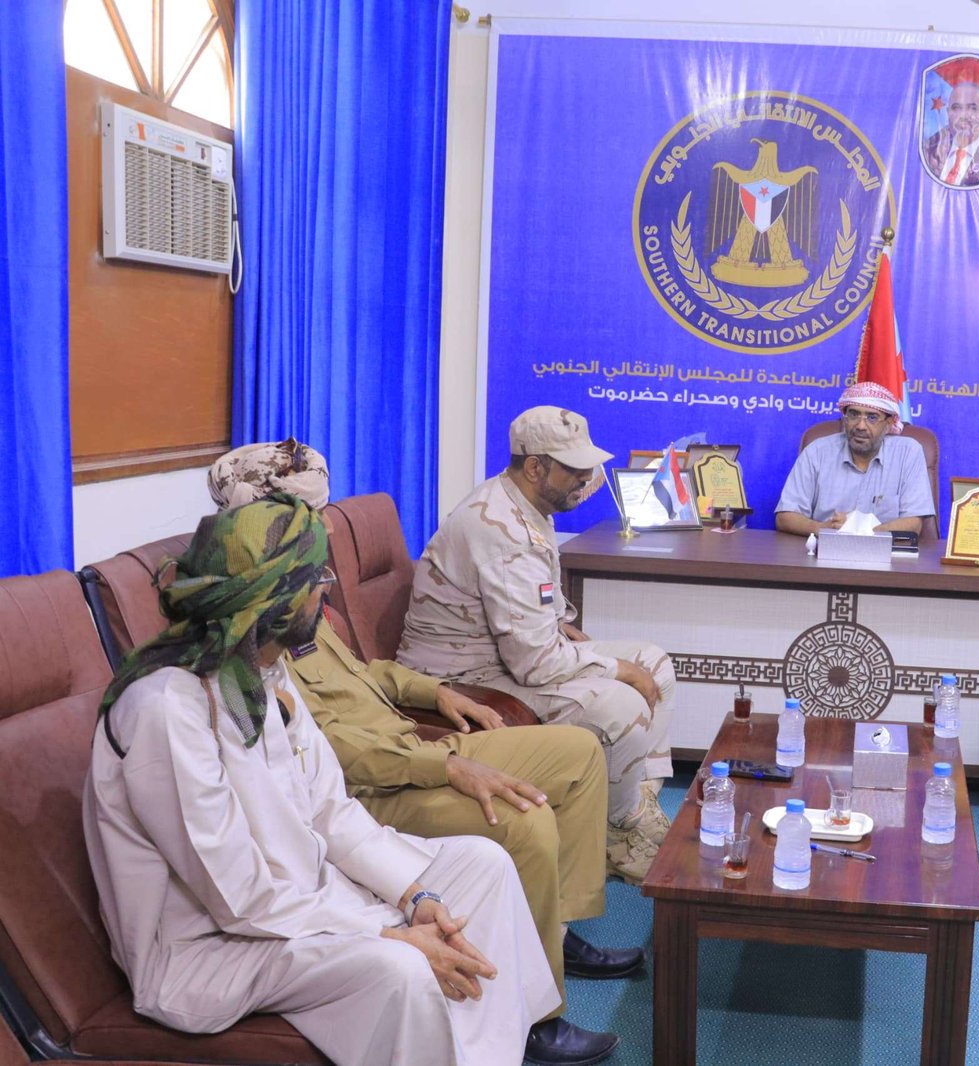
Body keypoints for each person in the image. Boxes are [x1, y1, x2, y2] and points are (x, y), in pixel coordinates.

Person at [83, 495, 609, 1066]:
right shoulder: (167, 707)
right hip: (212, 949)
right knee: (402, 966)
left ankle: (486, 1054)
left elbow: (331, 813)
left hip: (301, 902)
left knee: (484, 866)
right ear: (278, 599)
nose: (326, 591)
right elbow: (237, 896)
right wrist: (383, 932)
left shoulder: (264, 671)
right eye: (318, 579)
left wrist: (414, 897)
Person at [206, 445, 642, 1044]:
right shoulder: (248, 638)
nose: (325, 532)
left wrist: (436, 692)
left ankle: (555, 929)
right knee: (524, 821)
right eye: (310, 519)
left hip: (406, 739)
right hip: (381, 781)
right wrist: (445, 763)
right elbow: (329, 756)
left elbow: (361, 672)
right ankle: (539, 1021)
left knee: (577, 752)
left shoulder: (300, 603)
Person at [397, 408, 675, 878]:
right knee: (623, 704)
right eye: (575, 469)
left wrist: (566, 627)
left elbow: (533, 610)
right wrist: (618, 670)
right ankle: (617, 834)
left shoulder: (523, 503)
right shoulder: (503, 531)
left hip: (507, 655)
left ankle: (631, 808)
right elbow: (535, 665)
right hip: (465, 679)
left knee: (655, 664)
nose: (586, 478)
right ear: (534, 467)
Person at [774, 381, 935, 536]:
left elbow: (913, 524)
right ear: (845, 418)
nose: (860, 426)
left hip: (885, 551)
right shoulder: (817, 452)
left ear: (888, 423)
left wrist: (858, 530)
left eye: (872, 417)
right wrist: (824, 529)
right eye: (853, 415)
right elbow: (785, 517)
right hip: (826, 547)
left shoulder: (908, 453)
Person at [922, 80, 979, 188]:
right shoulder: (929, 150)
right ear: (948, 112)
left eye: (973, 108)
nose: (964, 115)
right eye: (957, 108)